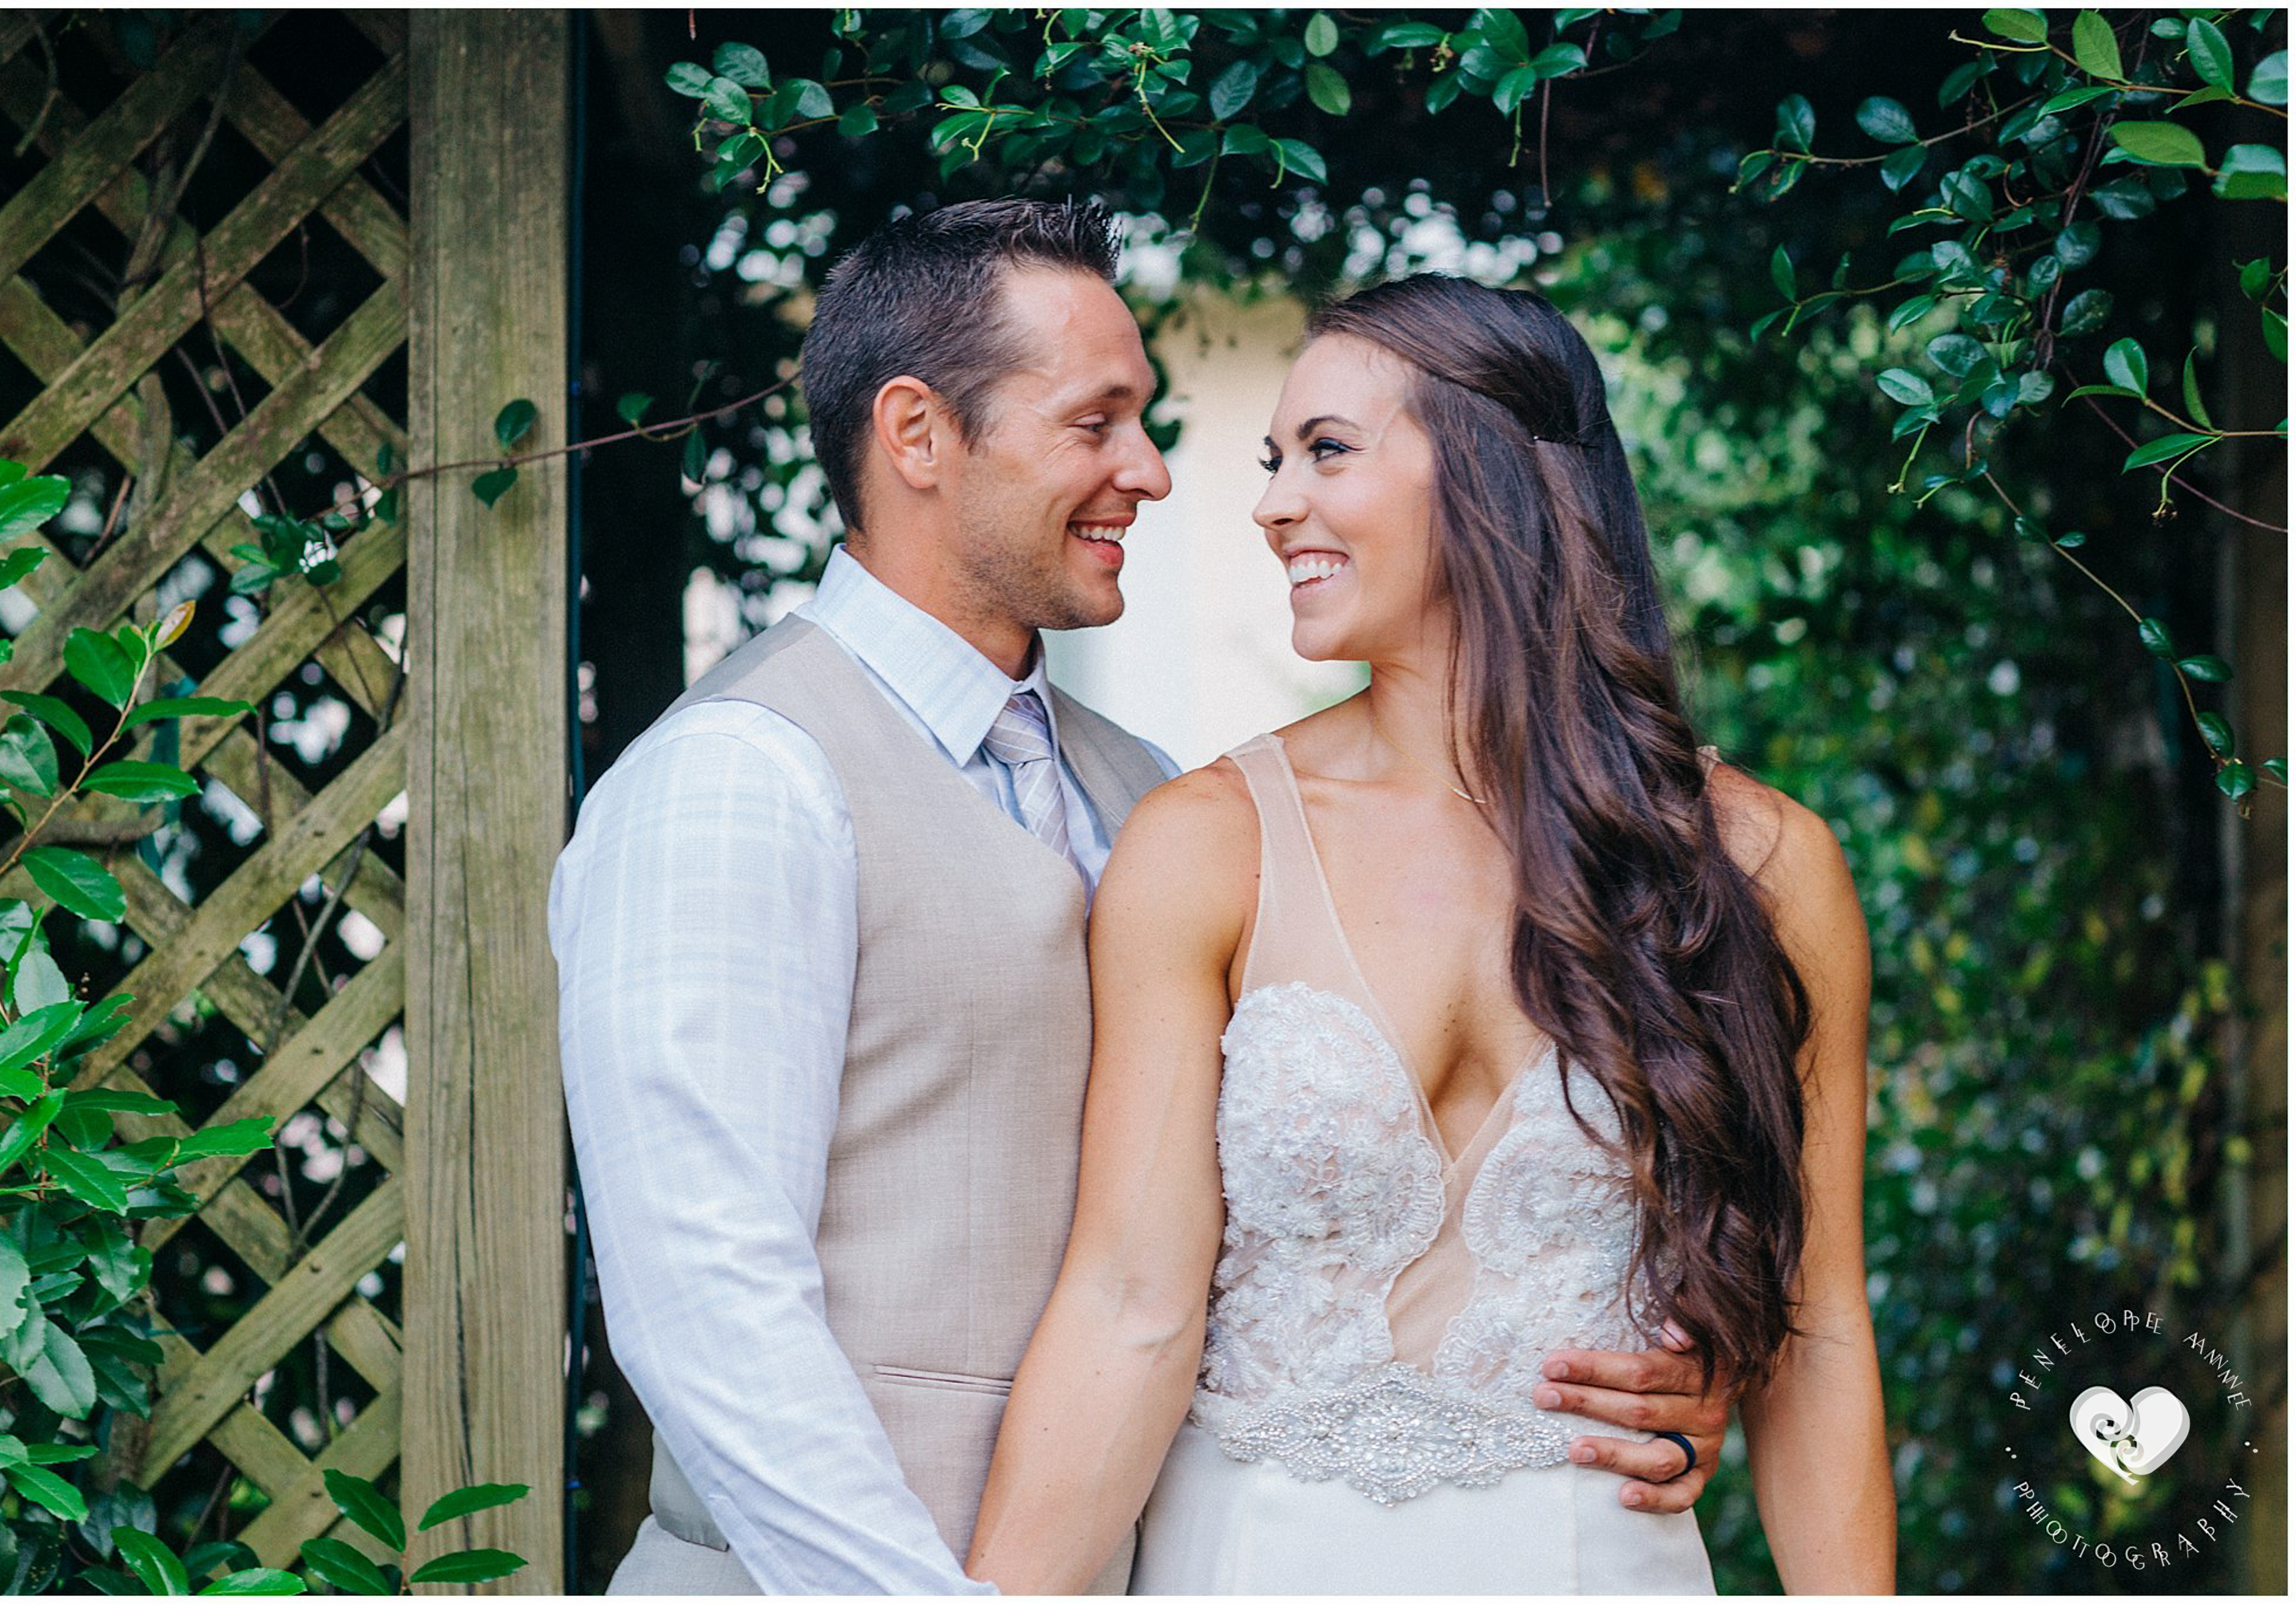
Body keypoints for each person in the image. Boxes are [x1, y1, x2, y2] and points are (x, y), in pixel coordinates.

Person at [552, 205, 1743, 1597]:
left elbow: (1245, 1238)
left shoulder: (1151, 796)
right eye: (1098, 423)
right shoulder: (739, 779)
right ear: (919, 435)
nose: (1155, 474)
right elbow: (709, 1310)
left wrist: (1612, 1357)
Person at [964, 276, 1897, 1594]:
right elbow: (1129, 1306)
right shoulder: (1206, 843)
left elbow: (1818, 1333)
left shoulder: (1762, 868)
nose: (1274, 502)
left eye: (1327, 452)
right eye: (1275, 460)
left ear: (1491, 475)